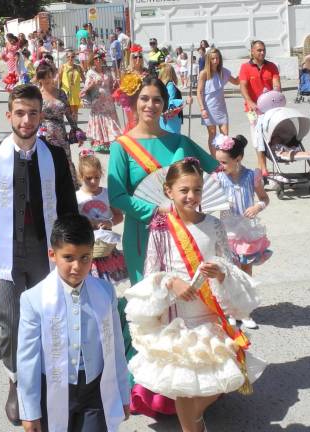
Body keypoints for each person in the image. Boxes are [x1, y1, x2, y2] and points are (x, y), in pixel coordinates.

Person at [124, 159, 265, 430]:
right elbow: (151, 271)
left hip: (207, 313)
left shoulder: (213, 224)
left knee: (218, 377)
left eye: (197, 189)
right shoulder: (161, 226)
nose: (191, 196)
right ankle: (194, 426)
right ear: (169, 191)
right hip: (177, 316)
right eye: (184, 190)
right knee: (184, 384)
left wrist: (220, 271)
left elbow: (230, 264)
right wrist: (171, 282)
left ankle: (195, 418)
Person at [0, 84, 79, 425]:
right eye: (20, 112)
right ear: (9, 115)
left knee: (51, 319)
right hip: (6, 256)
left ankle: (46, 382)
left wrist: (72, 256)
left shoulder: (55, 156)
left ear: (40, 116)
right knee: (12, 322)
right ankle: (16, 381)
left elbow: (68, 210)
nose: (27, 120)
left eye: (33, 113)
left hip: (45, 254)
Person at [107, 77, 218, 396]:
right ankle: (148, 386)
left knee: (183, 304)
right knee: (152, 302)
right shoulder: (122, 146)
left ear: (165, 104)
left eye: (157, 99)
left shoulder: (180, 142)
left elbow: (214, 171)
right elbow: (117, 195)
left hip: (185, 235)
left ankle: (184, 381)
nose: (150, 105)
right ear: (134, 103)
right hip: (143, 236)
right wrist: (155, 210)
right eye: (144, 99)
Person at [17, 215, 130, 432]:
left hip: (95, 389)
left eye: (85, 257)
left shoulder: (105, 292)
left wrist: (122, 394)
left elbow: (115, 349)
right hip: (52, 387)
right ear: (53, 254)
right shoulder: (34, 299)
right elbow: (27, 359)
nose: (77, 266)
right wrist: (29, 411)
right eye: (68, 257)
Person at [213, 134, 271, 330]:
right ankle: (229, 311)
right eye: (218, 161)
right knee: (227, 272)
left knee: (245, 273)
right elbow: (206, 201)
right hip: (226, 231)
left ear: (238, 159)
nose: (220, 165)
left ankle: (245, 311)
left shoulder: (251, 176)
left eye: (224, 162)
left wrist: (258, 207)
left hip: (246, 232)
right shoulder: (218, 177)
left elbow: (264, 198)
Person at [76, 153, 128, 287]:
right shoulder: (77, 197)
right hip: (87, 245)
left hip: (106, 246)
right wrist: (86, 223)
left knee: (108, 282)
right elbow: (73, 221)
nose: (93, 181)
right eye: (88, 178)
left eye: (97, 177)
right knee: (90, 282)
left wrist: (108, 222)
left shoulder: (107, 194)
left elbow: (119, 216)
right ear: (80, 177)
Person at [239, 40, 281, 176]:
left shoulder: (272, 66)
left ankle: (273, 166)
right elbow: (243, 87)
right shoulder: (245, 67)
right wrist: (250, 101)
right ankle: (263, 169)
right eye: (259, 50)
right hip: (253, 110)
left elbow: (276, 84)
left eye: (263, 50)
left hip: (270, 108)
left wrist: (276, 91)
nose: (262, 52)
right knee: (258, 140)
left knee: (272, 138)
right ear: (252, 51)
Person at [36, 63, 80, 188]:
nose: (47, 80)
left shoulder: (61, 93)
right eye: (44, 77)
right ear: (39, 79)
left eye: (50, 76)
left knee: (65, 158)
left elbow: (68, 113)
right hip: (44, 134)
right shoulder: (37, 95)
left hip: (61, 132)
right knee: (46, 160)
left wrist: (75, 129)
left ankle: (70, 186)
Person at [195, 48, 239, 155]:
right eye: (213, 58)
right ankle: (214, 160)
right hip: (208, 108)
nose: (215, 61)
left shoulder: (223, 72)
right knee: (212, 134)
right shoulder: (204, 73)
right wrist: (202, 109)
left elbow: (236, 82)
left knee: (225, 136)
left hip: (221, 108)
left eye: (217, 58)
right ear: (208, 60)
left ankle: (223, 159)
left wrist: (244, 72)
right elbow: (199, 92)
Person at [82, 53, 123, 153]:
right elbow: (85, 89)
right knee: (100, 120)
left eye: (100, 58)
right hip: (97, 102)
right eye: (96, 58)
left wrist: (116, 83)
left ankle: (112, 142)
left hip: (108, 101)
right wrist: (92, 84)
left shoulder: (108, 71)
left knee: (111, 121)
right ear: (93, 61)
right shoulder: (90, 73)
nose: (98, 60)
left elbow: (112, 85)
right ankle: (100, 142)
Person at [157, 63, 187, 134]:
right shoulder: (170, 85)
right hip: (170, 117)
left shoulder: (163, 85)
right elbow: (171, 102)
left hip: (165, 116)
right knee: (172, 137)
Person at [58, 50, 84, 118]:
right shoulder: (63, 67)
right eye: (68, 57)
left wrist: (87, 89)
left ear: (74, 57)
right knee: (69, 113)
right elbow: (59, 79)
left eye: (72, 57)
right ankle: (73, 126)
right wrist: (57, 91)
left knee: (75, 113)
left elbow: (84, 79)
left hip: (76, 93)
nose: (70, 58)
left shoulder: (78, 67)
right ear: (66, 57)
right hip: (67, 93)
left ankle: (75, 127)